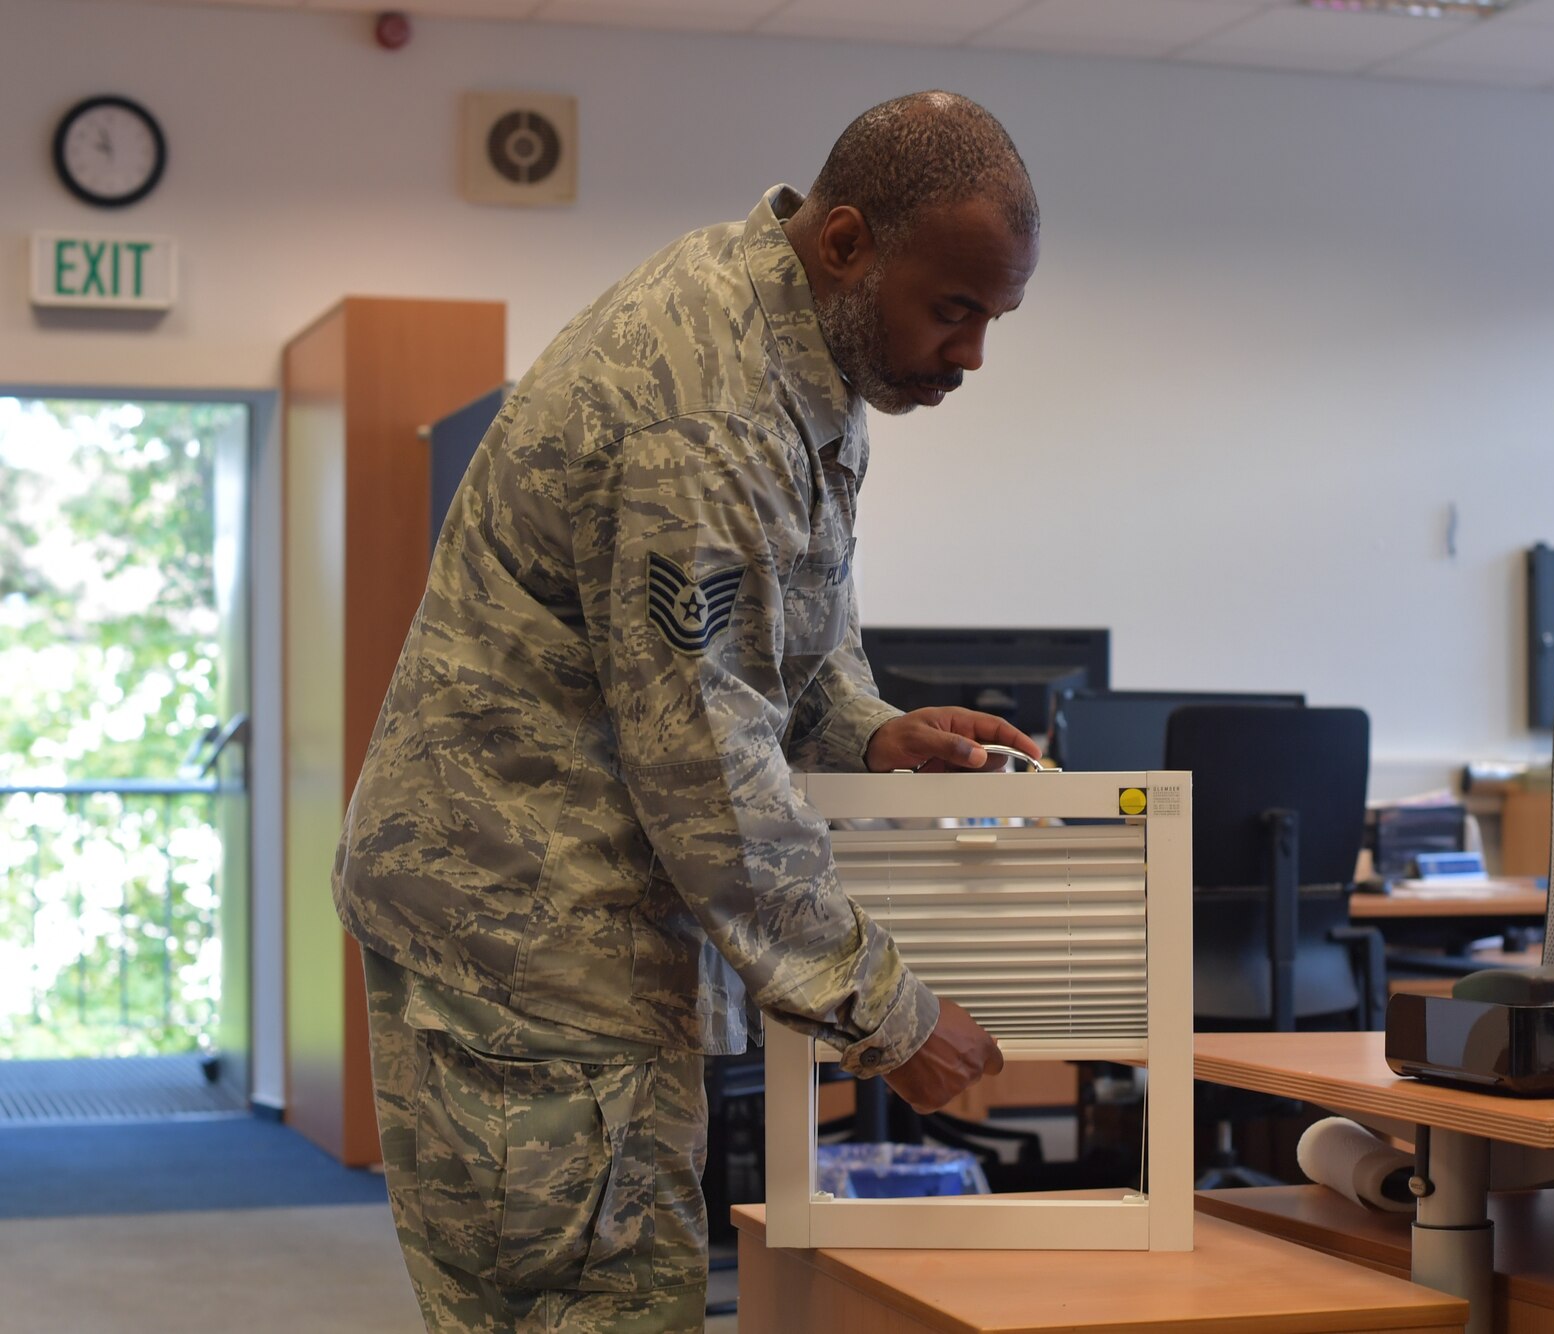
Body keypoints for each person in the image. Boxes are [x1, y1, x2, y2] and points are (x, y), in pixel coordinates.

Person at [332, 90, 1041, 1333]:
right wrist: (888, 1012)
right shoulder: (703, 420)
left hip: (571, 935)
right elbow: (703, 769)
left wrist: (865, 726)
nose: (973, 354)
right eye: (954, 308)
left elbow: (784, 637)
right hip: (525, 958)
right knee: (581, 1308)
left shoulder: (796, 349)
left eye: (992, 317)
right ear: (846, 244)